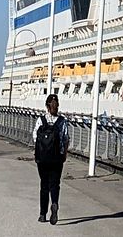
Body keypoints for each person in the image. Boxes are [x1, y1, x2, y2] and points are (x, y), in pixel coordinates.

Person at [32, 93, 70, 224]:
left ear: (47, 106)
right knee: (55, 184)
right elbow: (65, 139)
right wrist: (64, 154)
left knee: (44, 185)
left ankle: (42, 214)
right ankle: (54, 203)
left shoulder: (40, 120)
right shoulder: (62, 122)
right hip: (57, 158)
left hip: (42, 158)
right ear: (57, 105)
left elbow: (35, 137)